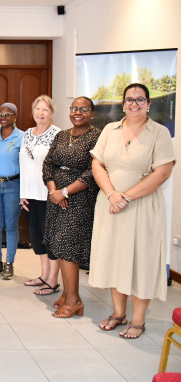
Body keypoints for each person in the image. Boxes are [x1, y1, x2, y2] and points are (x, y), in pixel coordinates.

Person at [90, 83, 175, 338]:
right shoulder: (109, 129)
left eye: (140, 100)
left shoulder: (159, 133)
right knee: (116, 258)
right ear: (123, 103)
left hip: (142, 207)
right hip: (110, 205)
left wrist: (125, 196)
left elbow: (163, 172)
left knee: (141, 261)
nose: (134, 104)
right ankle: (118, 313)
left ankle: (138, 320)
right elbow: (97, 164)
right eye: (129, 100)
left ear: (149, 103)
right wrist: (112, 194)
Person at [43, 97, 100, 318]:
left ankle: (74, 301)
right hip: (56, 197)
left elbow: (92, 170)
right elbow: (48, 164)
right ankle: (67, 294)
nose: (78, 112)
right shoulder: (61, 135)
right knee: (58, 244)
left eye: (84, 109)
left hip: (79, 199)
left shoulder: (97, 136)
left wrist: (65, 192)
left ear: (92, 113)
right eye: (74, 109)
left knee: (69, 248)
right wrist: (54, 191)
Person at [19, 96, 61, 295]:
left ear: (51, 113)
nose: (41, 112)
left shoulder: (57, 134)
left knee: (50, 238)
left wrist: (56, 192)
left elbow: (59, 167)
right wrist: (22, 193)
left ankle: (53, 280)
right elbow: (24, 164)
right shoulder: (27, 133)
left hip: (48, 195)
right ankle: (44, 275)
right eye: (37, 108)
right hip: (31, 194)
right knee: (37, 237)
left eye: (45, 109)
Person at [0, 102, 23, 280]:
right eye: (1, 114)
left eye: (8, 114)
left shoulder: (21, 137)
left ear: (15, 117)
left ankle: (9, 263)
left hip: (13, 185)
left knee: (10, 225)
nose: (3, 117)